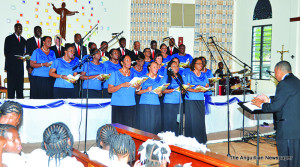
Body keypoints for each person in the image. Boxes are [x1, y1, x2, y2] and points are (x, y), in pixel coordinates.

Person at [251, 61, 300, 167]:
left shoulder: (283, 84)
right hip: (296, 129)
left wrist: (261, 105)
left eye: (274, 72)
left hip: (286, 131)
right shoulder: (296, 81)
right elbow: (286, 102)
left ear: (278, 71)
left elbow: (276, 107)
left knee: (285, 161)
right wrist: (268, 100)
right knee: (295, 161)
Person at [108, 55, 139, 128]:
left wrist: (137, 87)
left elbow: (136, 91)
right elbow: (109, 90)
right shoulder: (115, 74)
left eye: (130, 60)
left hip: (130, 104)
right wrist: (121, 85)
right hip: (118, 104)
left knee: (130, 128)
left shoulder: (134, 74)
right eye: (127, 60)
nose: (129, 62)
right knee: (118, 128)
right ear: (122, 62)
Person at [184, 58, 209, 143]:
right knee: (193, 120)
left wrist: (203, 89)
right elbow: (186, 87)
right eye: (198, 63)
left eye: (201, 63)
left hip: (200, 99)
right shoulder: (189, 74)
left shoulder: (204, 75)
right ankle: (192, 140)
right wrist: (196, 89)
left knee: (200, 120)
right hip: (191, 99)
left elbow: (207, 86)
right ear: (194, 65)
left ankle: (201, 140)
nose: (201, 65)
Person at [137, 62, 163, 134]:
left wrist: (159, 93)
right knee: (145, 126)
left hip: (156, 104)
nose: (156, 68)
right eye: (154, 67)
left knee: (155, 125)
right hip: (145, 104)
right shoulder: (143, 78)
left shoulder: (159, 78)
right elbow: (137, 92)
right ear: (149, 67)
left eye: (157, 67)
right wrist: (146, 90)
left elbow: (160, 94)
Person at [4, 23, 26, 99]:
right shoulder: (9, 38)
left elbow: (24, 52)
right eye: (19, 27)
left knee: (20, 87)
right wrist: (16, 57)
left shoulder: (23, 40)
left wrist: (24, 57)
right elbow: (6, 52)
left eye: (21, 28)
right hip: (11, 67)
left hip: (20, 67)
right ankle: (10, 105)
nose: (20, 29)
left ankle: (20, 105)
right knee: (11, 88)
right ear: (15, 28)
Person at [162, 61, 184, 135]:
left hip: (179, 102)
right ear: (169, 68)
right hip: (169, 103)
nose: (176, 67)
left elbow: (183, 89)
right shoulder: (166, 77)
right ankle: (169, 140)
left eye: (177, 66)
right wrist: (172, 90)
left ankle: (178, 138)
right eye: (174, 66)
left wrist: (183, 90)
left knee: (178, 122)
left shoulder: (179, 77)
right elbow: (162, 90)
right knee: (169, 122)